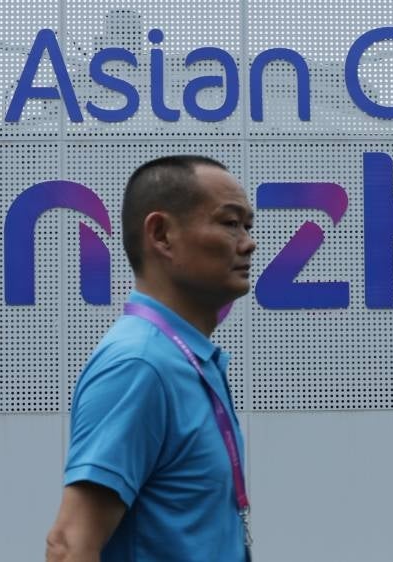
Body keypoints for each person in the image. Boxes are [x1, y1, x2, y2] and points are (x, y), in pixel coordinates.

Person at [46, 155, 256, 562]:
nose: (249, 242)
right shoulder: (139, 366)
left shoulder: (187, 361)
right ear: (161, 235)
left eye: (248, 225)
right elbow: (69, 545)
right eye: (230, 223)